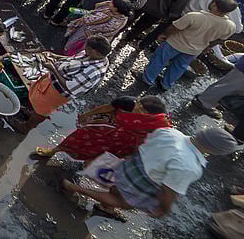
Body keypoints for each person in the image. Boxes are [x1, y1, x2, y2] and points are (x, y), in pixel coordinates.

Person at [60, 126, 239, 219]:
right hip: (144, 180)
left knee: (117, 188)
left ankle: (105, 206)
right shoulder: (191, 167)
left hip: (132, 164)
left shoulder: (172, 132)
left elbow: (143, 143)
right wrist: (163, 208)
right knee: (125, 203)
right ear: (213, 150)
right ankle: (76, 188)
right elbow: (169, 191)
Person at [142, 0, 238, 90]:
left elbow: (175, 28)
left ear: (214, 5)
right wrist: (207, 48)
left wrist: (164, 35)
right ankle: (166, 84)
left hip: (175, 43)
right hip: (195, 50)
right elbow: (219, 40)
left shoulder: (195, 16)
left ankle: (148, 79)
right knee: (179, 67)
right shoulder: (230, 26)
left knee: (159, 60)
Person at [32, 95, 170, 161]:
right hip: (106, 128)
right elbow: (107, 108)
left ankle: (86, 166)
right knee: (77, 137)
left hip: (121, 142)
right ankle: (55, 150)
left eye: (143, 110)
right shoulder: (127, 102)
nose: (137, 109)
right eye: (139, 105)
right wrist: (86, 116)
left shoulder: (155, 126)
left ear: (151, 116)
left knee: (99, 155)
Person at [17, 36, 111, 132]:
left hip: (58, 92)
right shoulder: (92, 55)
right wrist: (55, 56)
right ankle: (32, 113)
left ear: (96, 52)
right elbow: (73, 59)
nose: (84, 48)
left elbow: (69, 87)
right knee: (37, 100)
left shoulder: (93, 72)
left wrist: (52, 69)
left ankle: (26, 127)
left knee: (42, 110)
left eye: (87, 48)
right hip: (52, 81)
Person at [64, 0, 133, 54]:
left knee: (74, 46)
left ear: (116, 9)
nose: (109, 3)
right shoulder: (123, 17)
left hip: (87, 35)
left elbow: (87, 21)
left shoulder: (109, 18)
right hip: (94, 36)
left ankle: (67, 52)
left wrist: (87, 15)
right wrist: (105, 3)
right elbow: (97, 6)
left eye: (112, 3)